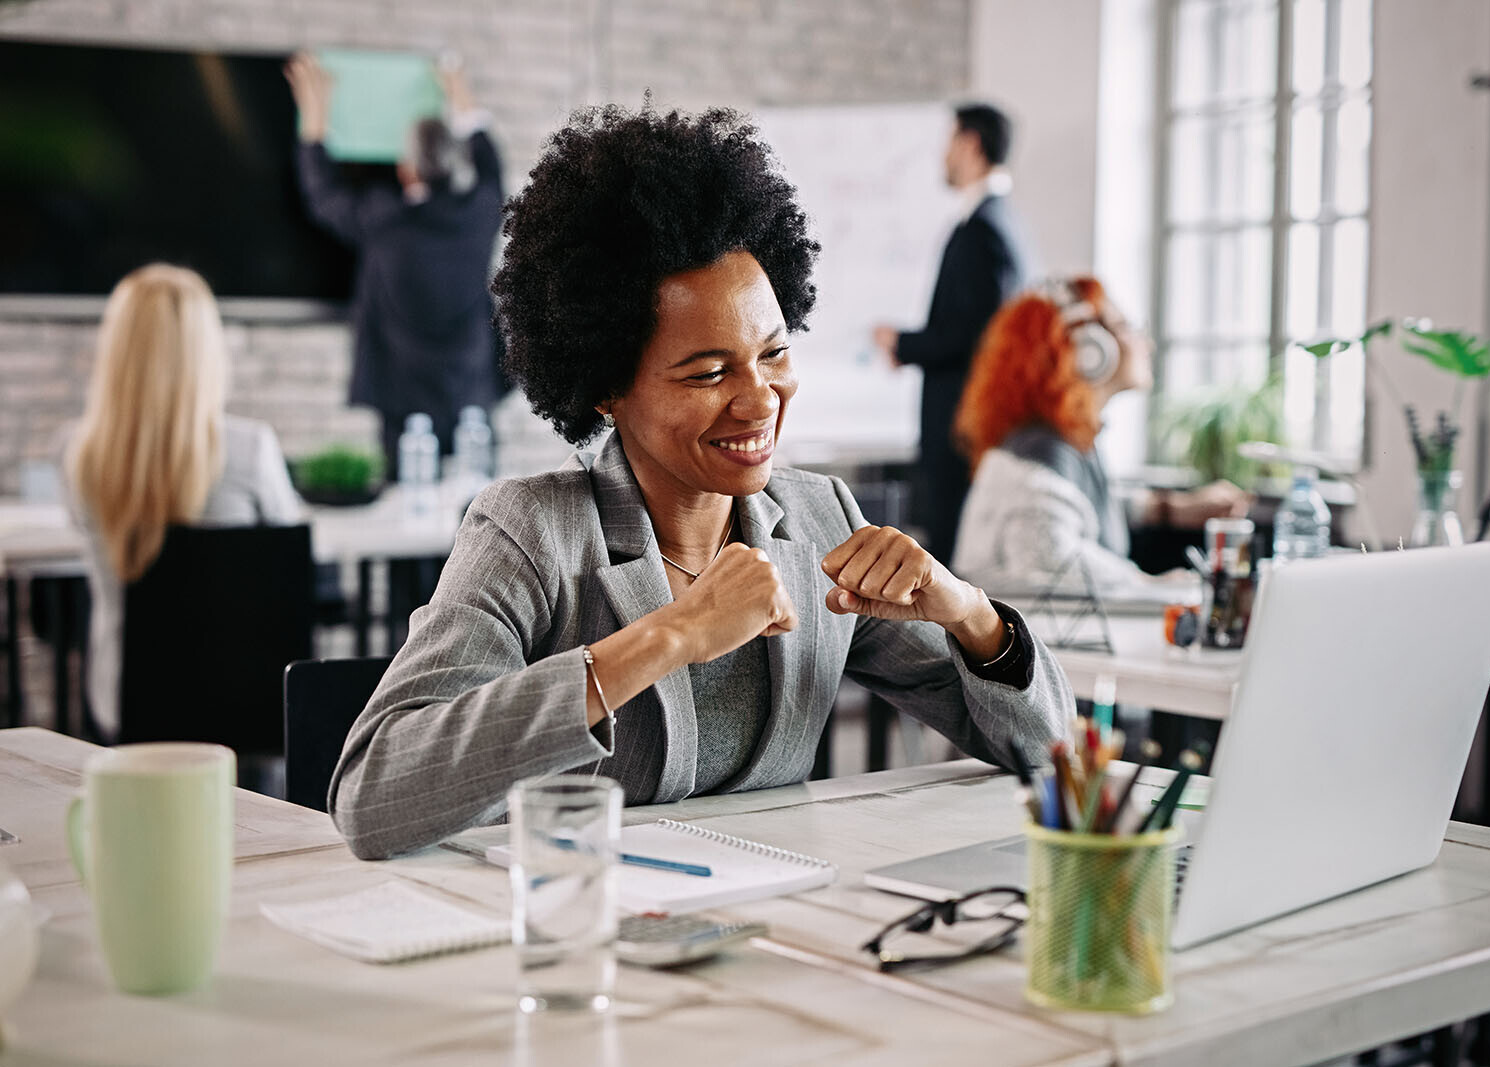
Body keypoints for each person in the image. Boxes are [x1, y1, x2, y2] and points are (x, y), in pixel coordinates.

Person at [328, 105, 1074, 860]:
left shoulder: (819, 519)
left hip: (776, 934)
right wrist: (670, 633)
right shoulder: (529, 532)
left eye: (774, 354)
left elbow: (1051, 753)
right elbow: (373, 794)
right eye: (710, 372)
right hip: (583, 941)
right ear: (607, 386)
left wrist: (970, 614)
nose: (759, 399)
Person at [64, 264, 302, 740]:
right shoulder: (250, 449)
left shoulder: (81, 457)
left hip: (122, 701)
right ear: (205, 350)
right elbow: (293, 557)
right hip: (241, 699)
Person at [950, 277, 1251, 597]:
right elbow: (1053, 557)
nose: (1144, 343)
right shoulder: (1040, 452)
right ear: (1088, 349)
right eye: (1126, 326)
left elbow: (1076, 507)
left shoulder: (1059, 441)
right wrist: (1154, 587)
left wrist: (1170, 508)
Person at [284, 53, 505, 480]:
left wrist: (315, 114)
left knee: (408, 520)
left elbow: (322, 193)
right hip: (471, 395)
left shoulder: (384, 220)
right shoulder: (480, 212)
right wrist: (456, 85)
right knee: (481, 519)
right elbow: (490, 160)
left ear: (406, 170)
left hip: (401, 405)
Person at [873, 102, 1026, 566]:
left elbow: (976, 334)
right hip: (963, 418)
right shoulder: (994, 221)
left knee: (950, 553)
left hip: (960, 424)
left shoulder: (986, 228)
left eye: (949, 141)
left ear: (970, 144)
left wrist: (902, 343)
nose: (943, 155)